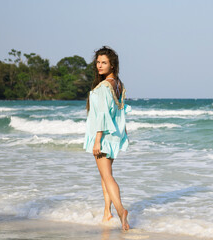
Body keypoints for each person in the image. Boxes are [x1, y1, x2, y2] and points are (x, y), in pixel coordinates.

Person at [83, 46, 131, 230]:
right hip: (114, 136)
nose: (99, 65)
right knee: (105, 176)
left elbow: (102, 115)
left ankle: (120, 211)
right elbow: (121, 112)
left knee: (107, 176)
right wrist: (124, 134)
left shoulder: (104, 87)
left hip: (103, 136)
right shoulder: (118, 84)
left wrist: (97, 140)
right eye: (98, 62)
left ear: (112, 65)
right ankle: (107, 212)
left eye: (104, 62)